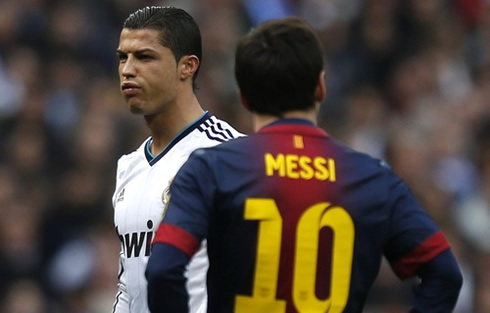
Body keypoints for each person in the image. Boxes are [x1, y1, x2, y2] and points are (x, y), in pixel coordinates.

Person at [146, 17, 463, 313]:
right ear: (321, 88)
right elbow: (444, 274)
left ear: (244, 96)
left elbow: (163, 269)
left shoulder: (211, 169)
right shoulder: (373, 178)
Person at [111, 6, 243, 313]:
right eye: (122, 57)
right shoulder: (128, 168)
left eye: (144, 57)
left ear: (187, 66)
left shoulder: (232, 155)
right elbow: (128, 285)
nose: (128, 69)